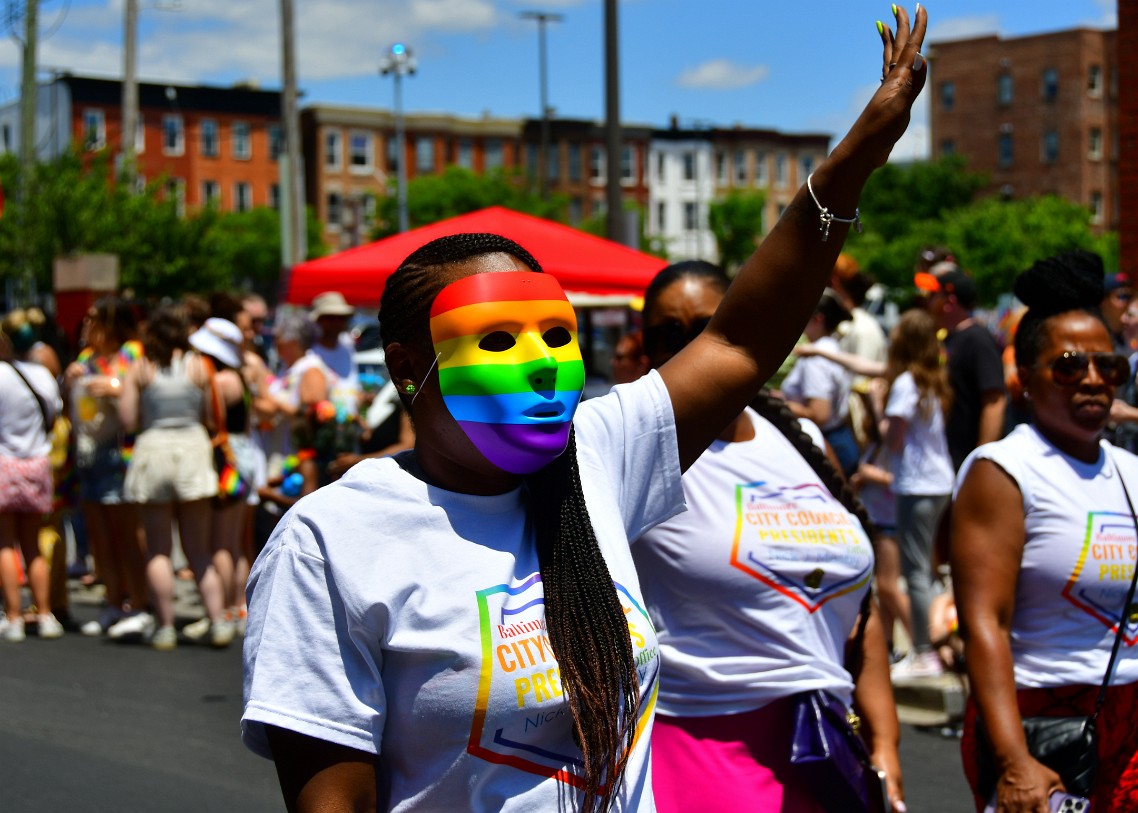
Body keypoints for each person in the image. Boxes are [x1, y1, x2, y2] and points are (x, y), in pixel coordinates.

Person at [240, 9, 928, 811]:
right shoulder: (333, 542)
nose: (541, 367)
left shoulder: (596, 455)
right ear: (405, 366)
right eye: (497, 338)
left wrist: (854, 162)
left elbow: (742, 340)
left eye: (557, 335)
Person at [631, 261, 903, 812]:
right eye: (668, 336)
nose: (690, 348)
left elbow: (859, 610)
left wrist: (886, 745)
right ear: (645, 351)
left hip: (828, 750)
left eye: (709, 327)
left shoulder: (797, 436)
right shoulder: (629, 453)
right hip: (701, 749)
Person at [952, 250, 1138, 813]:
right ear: (1025, 379)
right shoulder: (1004, 470)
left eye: (1109, 367)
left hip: (1128, 720)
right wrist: (1013, 761)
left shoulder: (1129, 471)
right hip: (1041, 720)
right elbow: (986, 622)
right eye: (1069, 365)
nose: (1092, 379)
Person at [797, 309, 955, 678]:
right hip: (939, 481)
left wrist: (877, 408)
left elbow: (893, 438)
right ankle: (935, 643)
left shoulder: (903, 385)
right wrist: (822, 354)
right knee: (924, 570)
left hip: (917, 484)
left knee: (913, 573)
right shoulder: (929, 378)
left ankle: (924, 652)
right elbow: (863, 366)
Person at [117, 305, 222, 650]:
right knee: (199, 550)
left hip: (154, 450)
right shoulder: (199, 365)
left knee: (159, 550)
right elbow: (210, 414)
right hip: (192, 448)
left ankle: (165, 627)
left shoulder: (141, 367)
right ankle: (218, 621)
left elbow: (127, 419)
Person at [64, 298, 148, 637]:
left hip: (121, 454)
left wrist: (114, 387)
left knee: (126, 534)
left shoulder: (133, 353)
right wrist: (68, 379)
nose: (86, 328)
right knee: (99, 535)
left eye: (94, 321)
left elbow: (140, 394)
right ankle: (113, 602)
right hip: (89, 454)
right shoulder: (86, 359)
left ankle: (140, 604)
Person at [0, 313, 65, 642]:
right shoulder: (43, 375)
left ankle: (12, 616)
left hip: (5, 463)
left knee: (5, 544)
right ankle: (43, 612)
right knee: (33, 544)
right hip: (37, 463)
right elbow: (54, 416)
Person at [924, 269, 1006, 471]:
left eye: (933, 295)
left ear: (949, 301)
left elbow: (994, 401)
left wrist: (980, 462)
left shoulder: (977, 340)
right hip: (947, 460)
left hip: (965, 461)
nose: (927, 301)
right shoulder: (949, 338)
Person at [779, 289, 858, 476]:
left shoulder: (816, 359)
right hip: (838, 441)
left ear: (818, 319)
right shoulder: (830, 348)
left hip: (826, 444)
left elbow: (819, 414)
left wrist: (779, 404)